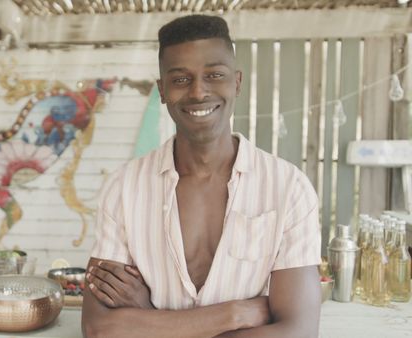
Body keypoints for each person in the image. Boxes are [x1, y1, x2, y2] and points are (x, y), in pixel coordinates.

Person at [81, 14, 321, 338]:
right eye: (180, 79)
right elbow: (99, 328)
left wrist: (149, 318)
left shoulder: (289, 189)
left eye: (214, 75)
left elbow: (298, 332)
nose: (198, 92)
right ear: (162, 90)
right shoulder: (123, 190)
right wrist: (235, 313)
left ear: (236, 82)